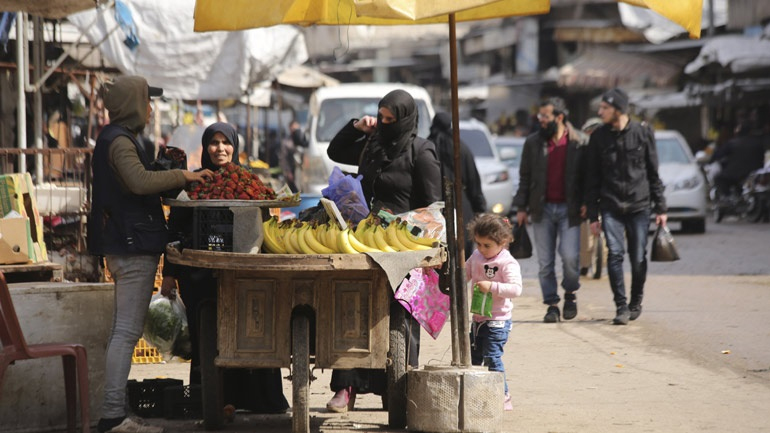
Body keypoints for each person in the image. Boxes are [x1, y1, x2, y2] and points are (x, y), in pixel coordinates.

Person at [88, 75, 213, 433]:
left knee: (121, 331)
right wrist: (183, 177)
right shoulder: (118, 142)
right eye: (146, 101)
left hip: (130, 243)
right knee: (126, 333)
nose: (149, 108)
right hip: (131, 246)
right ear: (132, 105)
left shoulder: (120, 139)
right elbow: (139, 182)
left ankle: (116, 410)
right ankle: (113, 416)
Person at [161, 122, 290, 414]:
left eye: (226, 143)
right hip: (200, 273)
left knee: (251, 330)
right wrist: (169, 275)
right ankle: (211, 399)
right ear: (206, 147)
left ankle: (257, 399)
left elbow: (264, 228)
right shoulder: (193, 184)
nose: (220, 149)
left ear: (235, 145)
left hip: (245, 271)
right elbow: (176, 231)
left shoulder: (249, 181)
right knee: (209, 336)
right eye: (214, 143)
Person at [325, 89, 442, 412]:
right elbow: (336, 150)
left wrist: (407, 226)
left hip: (402, 246)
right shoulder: (372, 146)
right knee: (353, 309)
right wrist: (357, 127)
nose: (385, 125)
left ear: (405, 119)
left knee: (398, 314)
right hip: (363, 240)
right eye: (382, 118)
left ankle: (399, 387)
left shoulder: (422, 152)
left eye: (391, 120)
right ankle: (346, 387)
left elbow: (434, 207)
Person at [584, 87, 667, 325]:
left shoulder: (642, 132)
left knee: (638, 256)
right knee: (615, 255)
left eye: (605, 108)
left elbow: (653, 172)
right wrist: (592, 214)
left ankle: (635, 301)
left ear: (618, 109)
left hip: (640, 206)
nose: (600, 112)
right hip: (610, 206)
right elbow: (592, 178)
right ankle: (620, 306)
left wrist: (661, 208)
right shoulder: (598, 137)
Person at [512, 97, 587, 323]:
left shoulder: (579, 142)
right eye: (540, 116)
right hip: (541, 209)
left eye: (545, 116)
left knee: (570, 257)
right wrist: (521, 207)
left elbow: (587, 178)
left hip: (569, 210)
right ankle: (552, 305)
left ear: (560, 117)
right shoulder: (533, 143)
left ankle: (570, 293)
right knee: (545, 263)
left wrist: (587, 203)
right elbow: (524, 176)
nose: (541, 120)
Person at [465, 213, 523, 411]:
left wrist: (492, 286)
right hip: (478, 320)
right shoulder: (475, 256)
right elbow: (464, 273)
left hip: (497, 322)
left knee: (492, 358)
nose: (482, 249)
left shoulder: (507, 263)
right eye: (478, 244)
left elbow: (516, 289)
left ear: (503, 242)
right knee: (472, 360)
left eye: (487, 245)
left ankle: (502, 396)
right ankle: (474, 396)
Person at [428, 111, 486, 258]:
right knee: (462, 254)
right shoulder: (461, 149)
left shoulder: (427, 149)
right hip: (461, 206)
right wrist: (479, 208)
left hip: (433, 207)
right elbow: (473, 181)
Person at [579, 117, 603, 277]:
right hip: (587, 198)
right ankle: (584, 264)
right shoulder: (583, 152)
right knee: (584, 234)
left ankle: (602, 261)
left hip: (607, 198)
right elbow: (581, 178)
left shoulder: (609, 148)